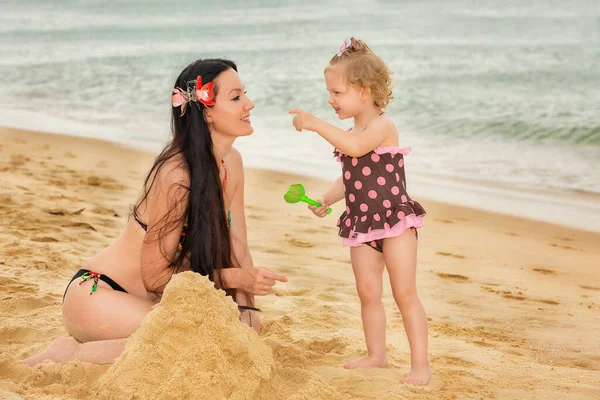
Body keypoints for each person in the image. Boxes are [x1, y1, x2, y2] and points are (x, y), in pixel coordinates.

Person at [23, 58, 288, 366]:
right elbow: (156, 277)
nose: (249, 104)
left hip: (151, 302)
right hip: (102, 294)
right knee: (188, 342)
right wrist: (237, 279)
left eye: (245, 93)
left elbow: (237, 244)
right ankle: (69, 354)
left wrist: (247, 310)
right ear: (207, 114)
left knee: (231, 336)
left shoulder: (233, 164)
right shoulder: (177, 175)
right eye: (236, 97)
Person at [289, 38, 430, 386]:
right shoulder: (352, 132)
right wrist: (326, 199)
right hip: (362, 225)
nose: (330, 100)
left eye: (337, 93)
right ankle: (376, 354)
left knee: (404, 294)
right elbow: (350, 176)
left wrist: (316, 123)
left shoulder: (382, 126)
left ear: (364, 92)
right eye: (330, 93)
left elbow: (354, 148)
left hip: (395, 224)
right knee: (368, 292)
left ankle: (420, 364)